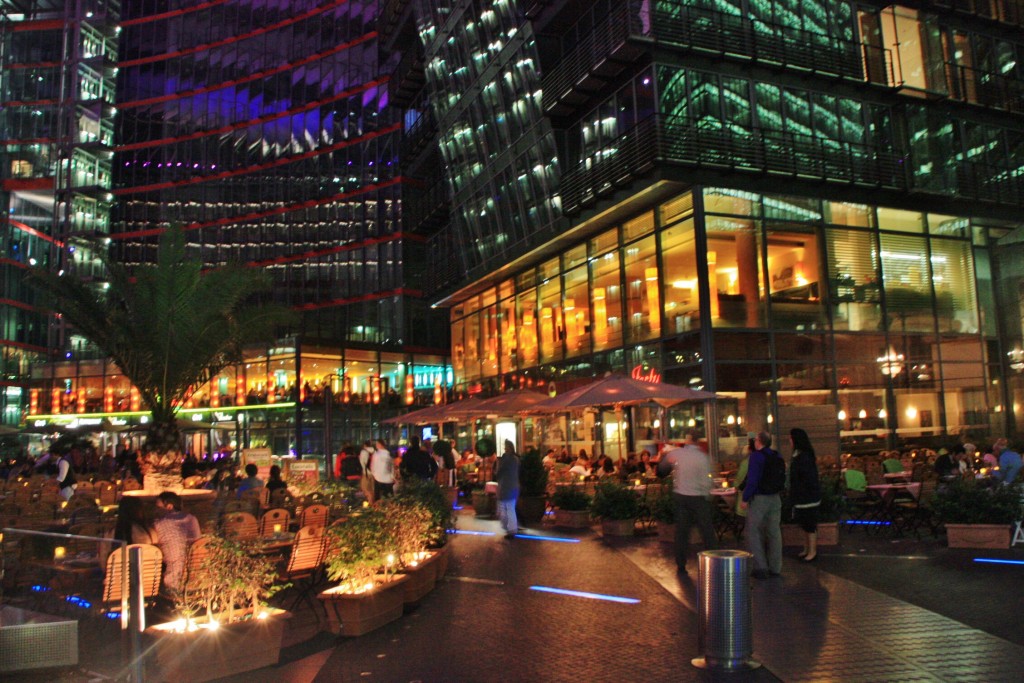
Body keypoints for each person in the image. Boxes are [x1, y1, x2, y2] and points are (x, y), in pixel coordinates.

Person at [656, 432, 717, 572]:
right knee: (706, 530)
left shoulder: (678, 453)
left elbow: (661, 470)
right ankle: (714, 560)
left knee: (682, 531)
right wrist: (708, 494)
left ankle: (681, 563)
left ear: (688, 440)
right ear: (698, 441)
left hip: (681, 496)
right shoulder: (703, 457)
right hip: (698, 497)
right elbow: (707, 479)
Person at [741, 431, 785, 579]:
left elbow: (752, 479)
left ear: (759, 441)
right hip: (775, 498)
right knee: (774, 532)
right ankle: (776, 567)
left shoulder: (756, 456)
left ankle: (760, 567)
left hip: (760, 499)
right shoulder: (777, 455)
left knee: (753, 531)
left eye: (755, 440)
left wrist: (745, 498)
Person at [154, 491, 202, 593]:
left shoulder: (160, 523)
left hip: (172, 581)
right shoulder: (192, 519)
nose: (155, 510)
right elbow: (198, 543)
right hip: (195, 576)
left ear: (169, 506)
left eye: (158, 507)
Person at [788, 428, 821, 563]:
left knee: (809, 524)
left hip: (807, 496)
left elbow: (807, 478)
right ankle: (807, 548)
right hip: (803, 496)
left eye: (791, 438)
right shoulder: (800, 455)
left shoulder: (803, 457)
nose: (789, 440)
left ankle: (812, 551)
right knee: (805, 524)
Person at [495, 439, 520, 538]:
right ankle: (512, 529)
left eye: (505, 446)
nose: (504, 448)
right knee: (510, 508)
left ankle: (510, 529)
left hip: (506, 486)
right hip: (513, 486)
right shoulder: (516, 459)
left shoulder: (506, 459)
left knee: (505, 508)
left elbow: (500, 472)